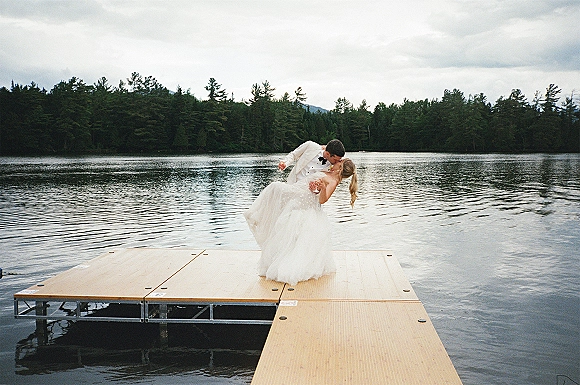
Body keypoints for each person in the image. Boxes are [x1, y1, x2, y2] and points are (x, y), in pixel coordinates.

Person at [244, 157, 358, 286]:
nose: (336, 161)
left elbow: (322, 200)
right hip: (299, 194)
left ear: (340, 167)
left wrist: (322, 188)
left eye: (339, 161)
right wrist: (315, 188)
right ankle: (258, 217)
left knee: (275, 187)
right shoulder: (329, 172)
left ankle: (255, 216)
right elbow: (316, 191)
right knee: (275, 190)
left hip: (302, 201)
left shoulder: (333, 180)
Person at [278, 139, 345, 184]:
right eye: (335, 160)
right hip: (292, 184)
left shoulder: (332, 169)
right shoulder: (310, 146)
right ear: (327, 154)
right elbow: (294, 155)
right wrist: (285, 163)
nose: (336, 162)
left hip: (309, 195)